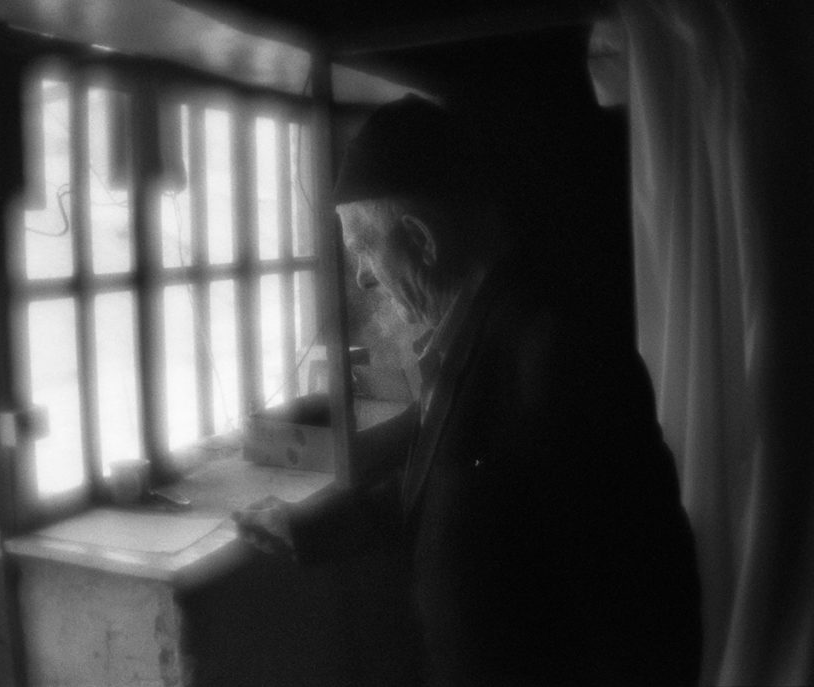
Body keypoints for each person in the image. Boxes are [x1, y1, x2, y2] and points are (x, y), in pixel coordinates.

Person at [235, 94, 702, 686]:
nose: (360, 275)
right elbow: (441, 485)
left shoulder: (556, 353)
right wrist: (307, 527)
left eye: (362, 248)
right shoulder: (472, 335)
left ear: (421, 241)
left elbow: (649, 596)